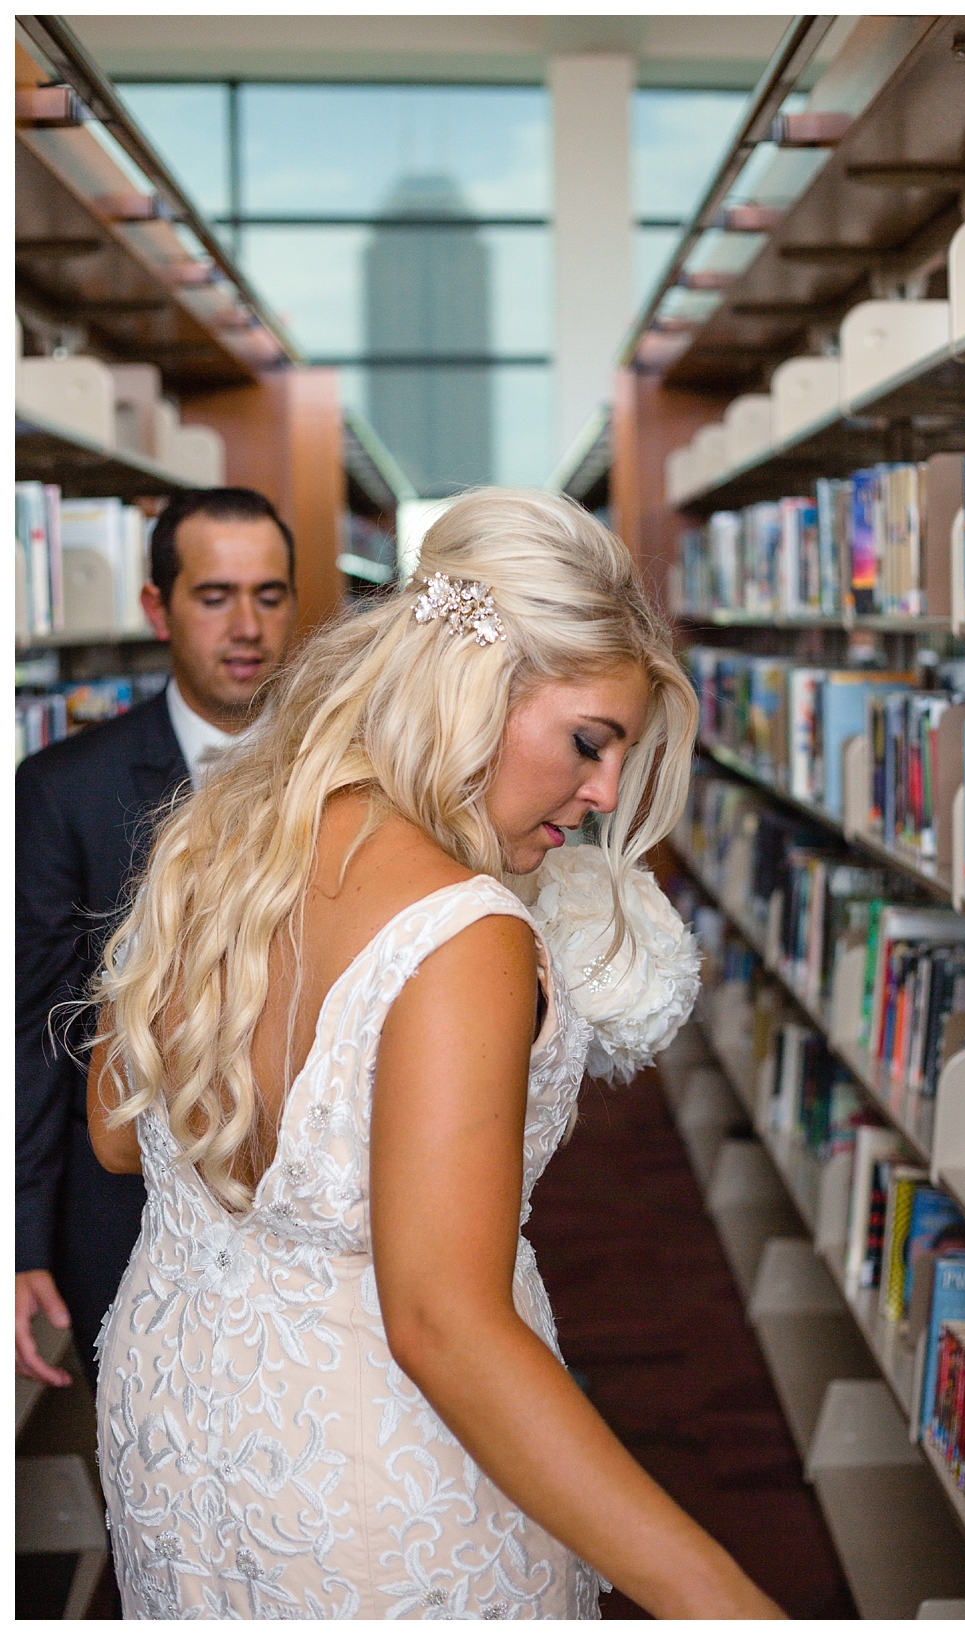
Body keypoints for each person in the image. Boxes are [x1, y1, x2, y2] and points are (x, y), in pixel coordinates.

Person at [82, 489, 782, 1619]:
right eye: (588, 743)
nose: (604, 795)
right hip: (381, 1473)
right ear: (475, 693)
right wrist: (725, 1601)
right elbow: (444, 1325)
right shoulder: (466, 935)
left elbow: (118, 1137)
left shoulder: (222, 837)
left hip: (175, 1430)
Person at [17, 487, 299, 1391]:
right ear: (157, 607)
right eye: (215, 596)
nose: (247, 625)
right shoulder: (66, 789)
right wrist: (18, 1240)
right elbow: (33, 1032)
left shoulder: (348, 776)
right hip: (125, 1209)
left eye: (269, 594)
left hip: (310, 1207)